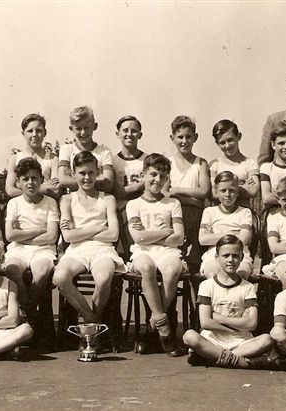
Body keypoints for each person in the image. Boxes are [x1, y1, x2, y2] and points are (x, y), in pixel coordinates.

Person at [53, 151, 125, 333]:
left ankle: (92, 325)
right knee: (60, 277)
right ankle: (92, 322)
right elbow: (68, 237)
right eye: (82, 173)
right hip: (76, 250)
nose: (87, 177)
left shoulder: (107, 198)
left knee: (103, 278)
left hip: (102, 249)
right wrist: (99, 228)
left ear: (98, 172)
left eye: (91, 172)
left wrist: (80, 232)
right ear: (73, 173)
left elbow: (114, 235)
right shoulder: (67, 199)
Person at [183, 235, 274, 368]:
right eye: (226, 256)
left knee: (267, 339)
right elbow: (206, 322)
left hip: (240, 341)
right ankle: (238, 361)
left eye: (235, 256)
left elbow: (252, 323)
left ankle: (213, 357)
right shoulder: (207, 285)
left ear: (242, 258)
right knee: (189, 336)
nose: (231, 260)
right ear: (217, 257)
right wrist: (238, 325)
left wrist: (218, 317)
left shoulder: (247, 287)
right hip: (212, 339)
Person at [126, 153, 185, 357]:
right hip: (142, 252)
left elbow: (179, 238)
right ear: (143, 175)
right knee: (146, 268)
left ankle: (152, 326)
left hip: (168, 251)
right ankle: (163, 325)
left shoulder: (172, 203)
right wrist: (166, 231)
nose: (157, 180)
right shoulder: (133, 204)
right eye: (153, 174)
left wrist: (150, 235)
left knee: (172, 269)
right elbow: (138, 239)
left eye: (163, 176)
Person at [2, 158, 59, 342]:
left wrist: (23, 233)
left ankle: (29, 310)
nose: (30, 183)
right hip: (18, 249)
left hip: (43, 249)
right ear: (18, 182)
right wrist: (40, 229)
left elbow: (52, 236)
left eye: (34, 178)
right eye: (25, 179)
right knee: (11, 269)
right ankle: (26, 301)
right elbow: (10, 236)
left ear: (41, 180)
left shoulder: (50, 202)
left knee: (41, 272)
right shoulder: (14, 203)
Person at [167, 115, 210, 269]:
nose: (184, 141)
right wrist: (192, 199)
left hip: (195, 217)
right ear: (172, 138)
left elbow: (204, 191)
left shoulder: (201, 163)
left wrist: (176, 191)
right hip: (172, 217)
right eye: (180, 137)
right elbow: (165, 193)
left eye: (188, 137)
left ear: (195, 137)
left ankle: (192, 293)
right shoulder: (168, 163)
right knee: (173, 258)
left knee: (194, 262)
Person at [198, 172, 254, 280]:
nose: (227, 194)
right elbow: (203, 239)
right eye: (223, 190)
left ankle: (237, 297)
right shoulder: (209, 212)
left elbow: (244, 239)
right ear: (216, 192)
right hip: (214, 255)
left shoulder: (245, 212)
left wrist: (215, 236)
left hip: (240, 255)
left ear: (237, 192)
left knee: (241, 273)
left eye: (232, 190)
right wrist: (233, 234)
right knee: (213, 273)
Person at [58, 106, 114, 193]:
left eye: (87, 127)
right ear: (71, 129)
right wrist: (96, 179)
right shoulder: (66, 149)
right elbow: (63, 180)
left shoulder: (104, 151)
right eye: (78, 128)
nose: (83, 133)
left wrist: (75, 180)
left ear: (95, 126)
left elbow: (108, 182)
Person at [5, 113, 60, 199]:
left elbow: (55, 190)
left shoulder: (53, 159)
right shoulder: (14, 159)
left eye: (38, 130)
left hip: (46, 206)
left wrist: (20, 185)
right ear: (23, 134)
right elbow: (10, 190)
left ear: (45, 132)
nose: (34, 134)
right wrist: (44, 187)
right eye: (30, 131)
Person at [208, 120, 259, 203]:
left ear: (239, 136)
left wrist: (223, 188)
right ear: (217, 143)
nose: (227, 145)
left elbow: (254, 191)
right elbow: (213, 194)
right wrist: (240, 185)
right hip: (220, 214)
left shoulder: (250, 163)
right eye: (222, 142)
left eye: (230, 140)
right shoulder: (214, 165)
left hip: (243, 212)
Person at [112, 115, 147, 209]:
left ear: (140, 135)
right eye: (125, 130)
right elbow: (116, 193)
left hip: (143, 210)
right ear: (118, 134)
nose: (130, 134)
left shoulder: (147, 160)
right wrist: (140, 186)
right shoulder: (112, 161)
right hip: (120, 212)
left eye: (134, 131)